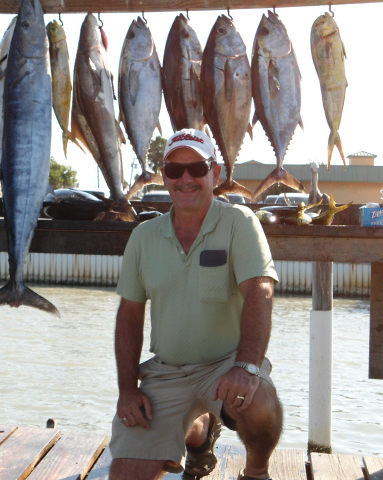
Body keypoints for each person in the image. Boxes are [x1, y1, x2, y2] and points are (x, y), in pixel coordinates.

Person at [109, 128, 283, 480]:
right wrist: (128, 389)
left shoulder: (240, 222)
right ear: (164, 176)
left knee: (261, 404)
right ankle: (200, 435)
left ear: (215, 174)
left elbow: (260, 290)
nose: (185, 178)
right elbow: (129, 314)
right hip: (166, 370)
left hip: (227, 366)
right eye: (174, 170)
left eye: (197, 168)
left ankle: (257, 470)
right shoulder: (143, 236)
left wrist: (247, 367)